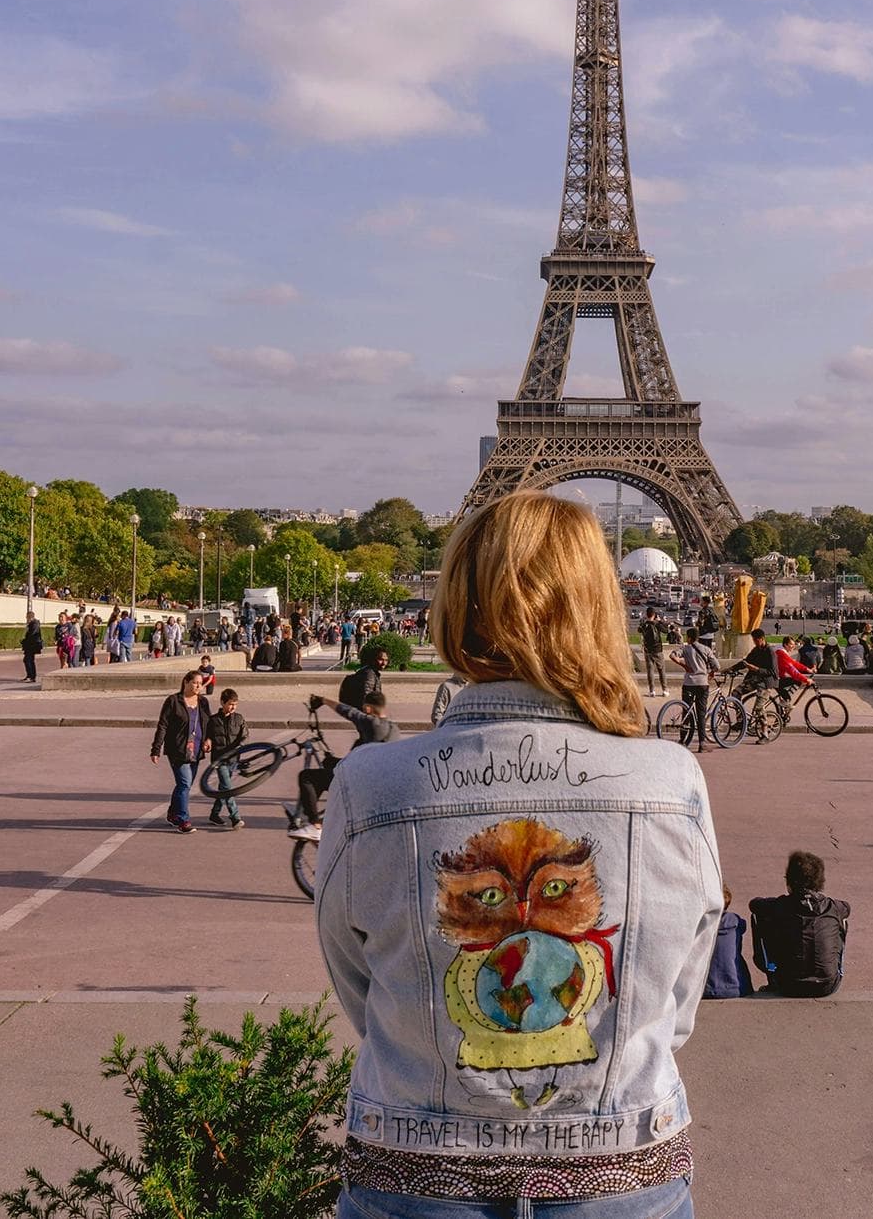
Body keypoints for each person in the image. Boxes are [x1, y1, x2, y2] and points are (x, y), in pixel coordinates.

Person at [316, 491, 720, 1219]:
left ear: (454, 603)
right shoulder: (671, 781)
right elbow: (673, 1005)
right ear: (600, 607)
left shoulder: (368, 785)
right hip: (621, 1169)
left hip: (417, 1170)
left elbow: (365, 994)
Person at [289, 692, 400, 841]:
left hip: (357, 781)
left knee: (307, 777)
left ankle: (315, 826)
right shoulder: (395, 730)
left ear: (368, 709)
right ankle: (312, 812)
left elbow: (348, 711)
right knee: (329, 764)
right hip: (376, 781)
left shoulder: (371, 723)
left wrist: (323, 700)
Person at [750, 850, 850, 998]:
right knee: (840, 920)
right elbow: (847, 908)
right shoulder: (833, 906)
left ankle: (771, 973)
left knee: (759, 917)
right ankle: (833, 967)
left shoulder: (779, 905)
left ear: (789, 882)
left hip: (787, 985)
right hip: (828, 985)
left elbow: (754, 904)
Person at [150, 670, 212, 834]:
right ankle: (183, 820)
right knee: (184, 784)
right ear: (186, 682)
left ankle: (173, 813)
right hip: (178, 749)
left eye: (200, 683)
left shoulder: (203, 702)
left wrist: (208, 739)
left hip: (197, 749)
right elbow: (162, 725)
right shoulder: (173, 701)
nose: (198, 686)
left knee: (185, 784)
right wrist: (156, 749)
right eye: (195, 682)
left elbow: (208, 724)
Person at [670, 625, 721, 752]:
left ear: (689, 637)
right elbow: (717, 666)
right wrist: (711, 673)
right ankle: (702, 743)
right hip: (702, 684)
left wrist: (683, 665)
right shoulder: (706, 649)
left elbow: (672, 655)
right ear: (697, 638)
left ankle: (683, 740)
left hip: (688, 683)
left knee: (686, 712)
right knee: (701, 713)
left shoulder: (686, 648)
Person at [206, 688, 247, 828]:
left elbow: (245, 735)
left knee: (223, 787)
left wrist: (240, 745)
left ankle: (214, 814)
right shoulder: (213, 720)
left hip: (234, 759)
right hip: (219, 759)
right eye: (230, 704)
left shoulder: (239, 718)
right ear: (222, 703)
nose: (233, 707)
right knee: (228, 787)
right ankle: (235, 817)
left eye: (235, 704)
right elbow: (208, 736)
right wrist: (208, 741)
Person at [703, 887, 752, 998]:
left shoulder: (702, 924)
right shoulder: (735, 920)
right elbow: (743, 927)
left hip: (706, 989)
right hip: (737, 987)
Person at [725, 626, 776, 705]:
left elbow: (773, 671)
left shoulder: (770, 652)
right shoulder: (756, 650)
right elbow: (745, 662)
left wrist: (756, 669)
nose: (754, 642)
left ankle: (762, 716)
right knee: (735, 693)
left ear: (762, 638)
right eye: (753, 640)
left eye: (756, 640)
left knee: (758, 709)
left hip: (766, 682)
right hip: (754, 679)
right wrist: (731, 668)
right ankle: (741, 715)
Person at [338, 643, 390, 708]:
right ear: (373, 659)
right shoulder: (369, 674)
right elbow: (366, 695)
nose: (384, 663)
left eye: (386, 660)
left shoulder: (370, 671)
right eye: (380, 659)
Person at [638, 606, 668, 697]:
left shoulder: (645, 624)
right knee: (661, 670)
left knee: (650, 671)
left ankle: (652, 690)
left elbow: (639, 630)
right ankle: (665, 690)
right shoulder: (657, 624)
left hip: (648, 650)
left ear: (647, 614)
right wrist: (660, 621)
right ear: (654, 615)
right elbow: (666, 630)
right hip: (658, 649)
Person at [21, 612, 43, 683]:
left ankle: (32, 676)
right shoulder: (32, 624)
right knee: (28, 660)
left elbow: (32, 635)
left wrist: (25, 640)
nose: (26, 618)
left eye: (27, 617)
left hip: (32, 645)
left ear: (30, 617)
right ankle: (29, 675)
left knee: (28, 660)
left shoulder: (34, 624)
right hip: (29, 645)